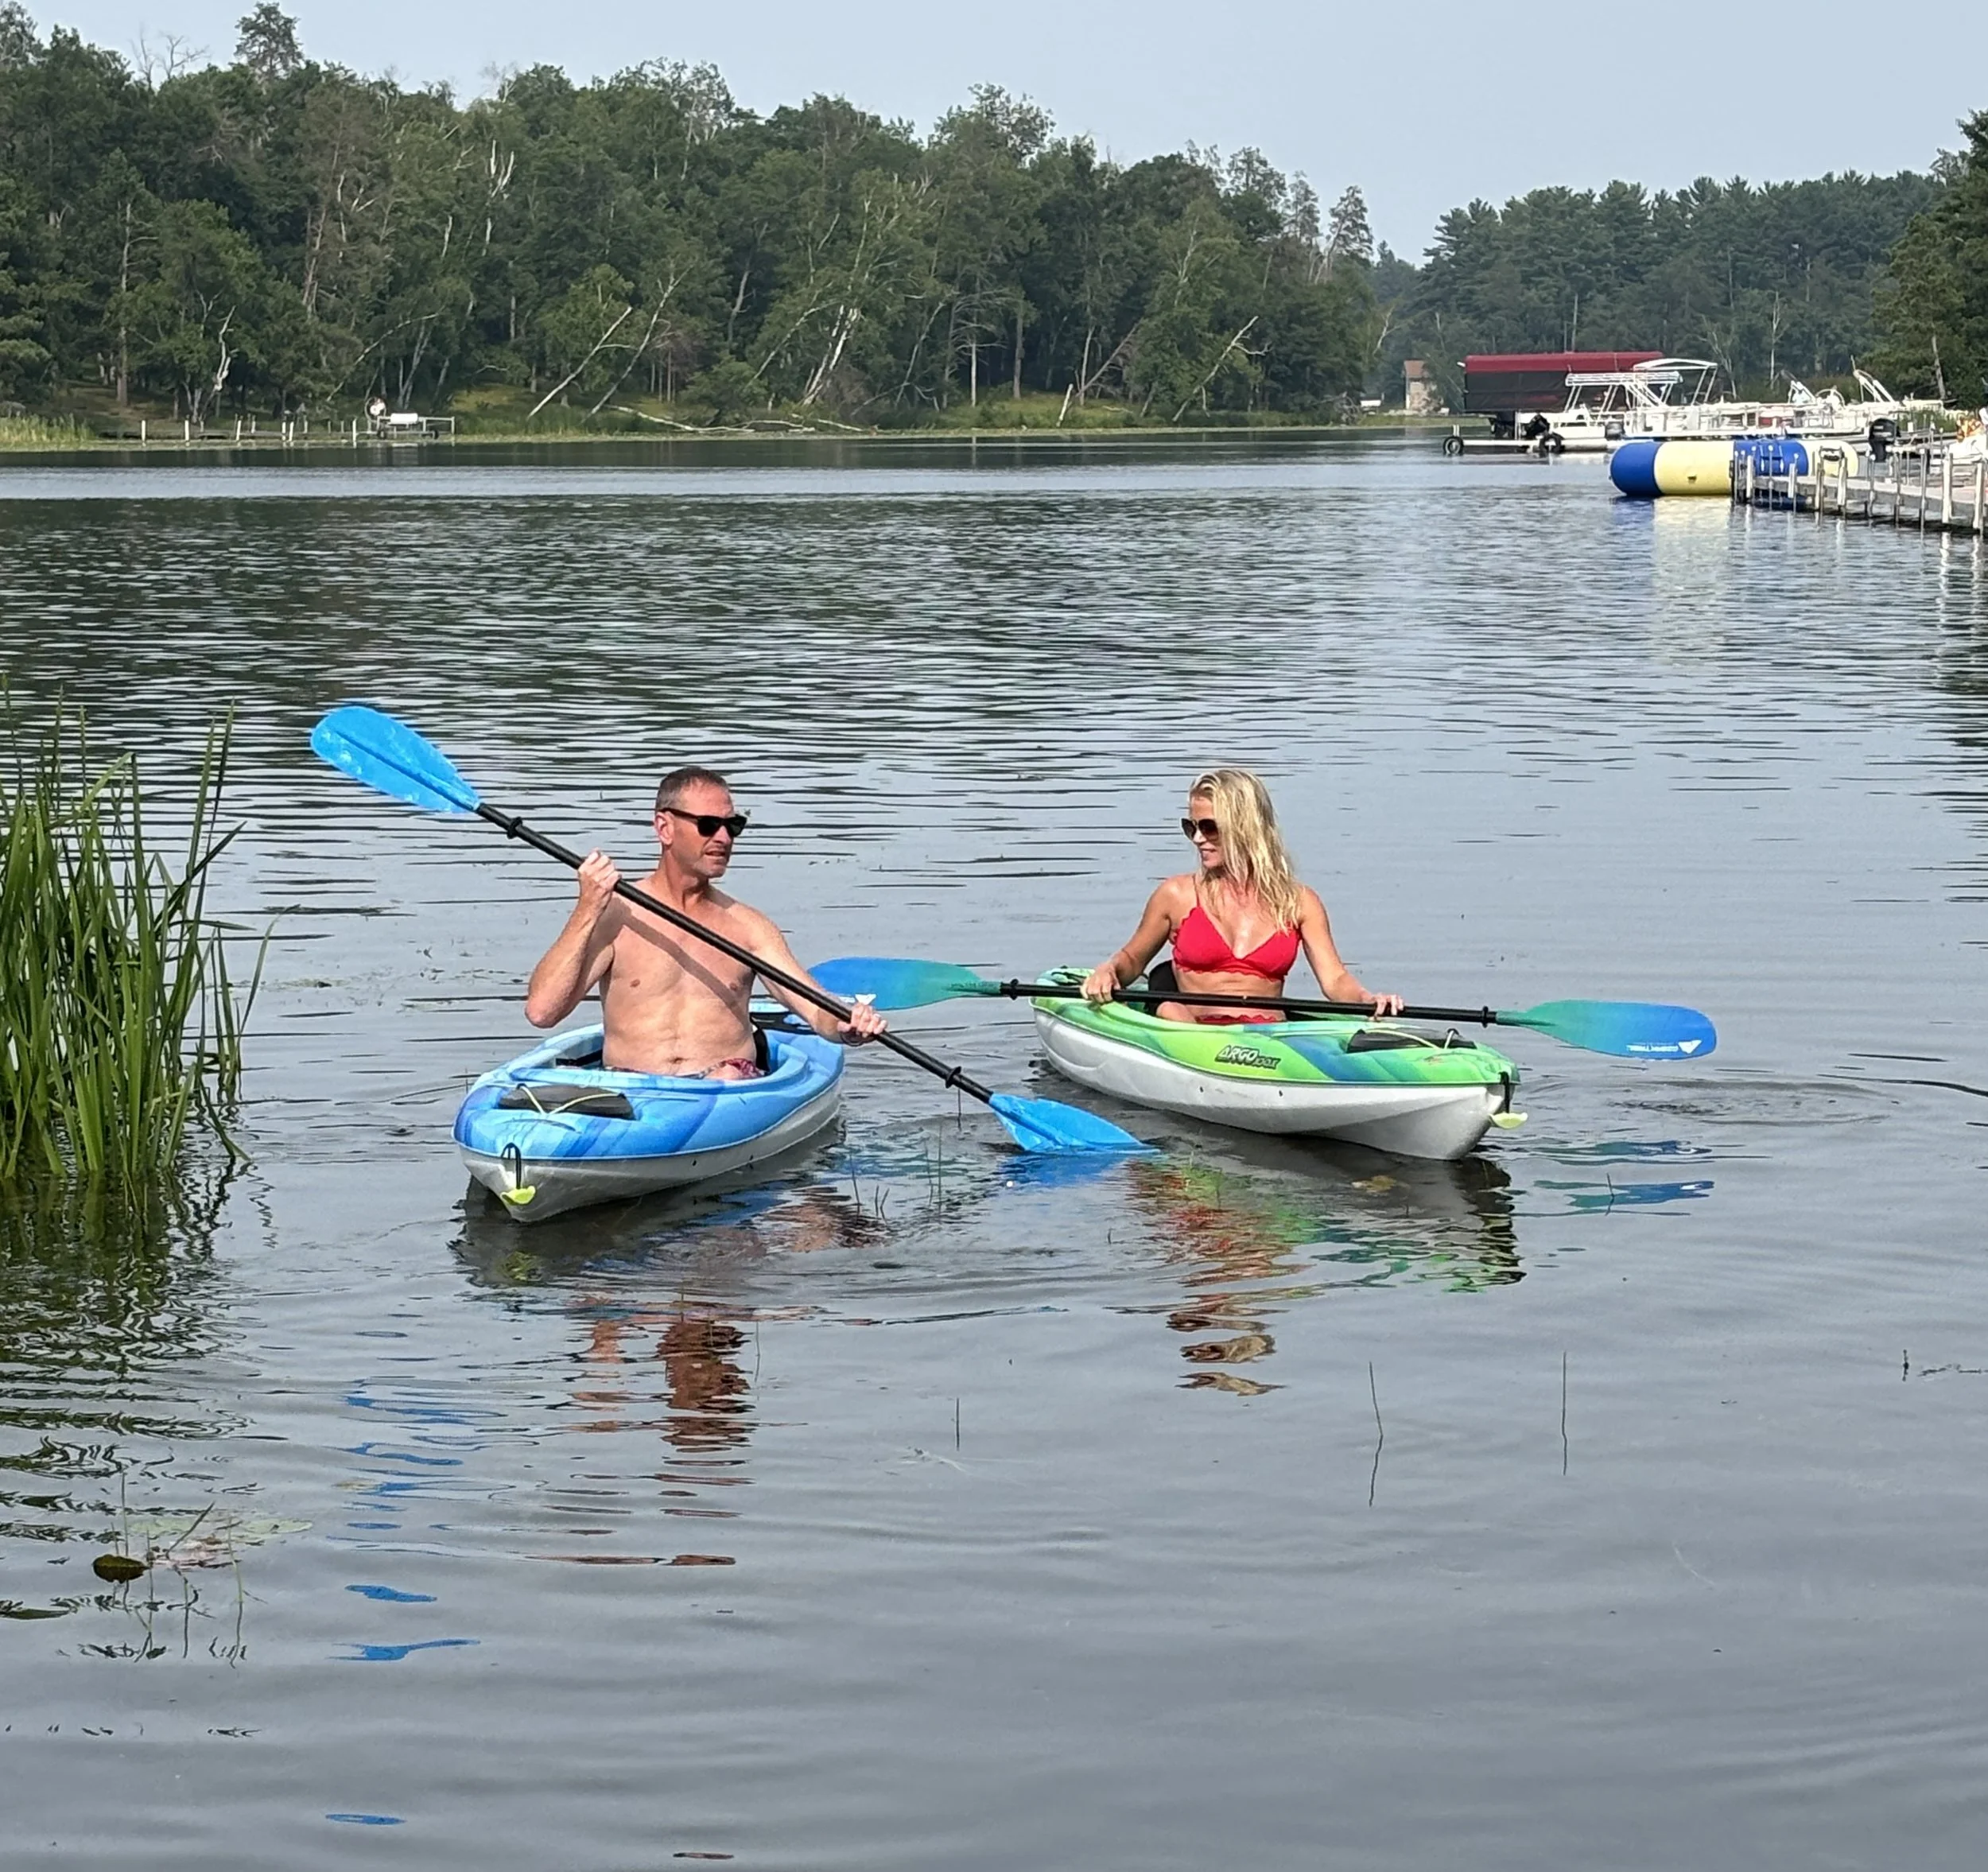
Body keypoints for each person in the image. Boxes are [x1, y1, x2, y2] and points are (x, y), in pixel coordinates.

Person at [524, 765, 885, 1077]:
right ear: (664, 828)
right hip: (633, 1089)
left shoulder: (748, 927)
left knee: (728, 1075)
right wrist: (587, 908)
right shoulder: (614, 917)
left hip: (725, 1088)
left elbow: (815, 1009)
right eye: (709, 825)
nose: (723, 838)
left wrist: (845, 1026)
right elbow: (542, 1012)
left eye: (733, 826)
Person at [1081, 767, 1403, 1025]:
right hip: (1192, 1037)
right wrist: (1109, 970)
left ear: (1245, 827)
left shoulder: (1300, 902)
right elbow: (1132, 959)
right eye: (1191, 827)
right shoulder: (1176, 895)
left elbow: (1335, 979)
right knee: (1170, 1010)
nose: (1197, 839)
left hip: (1267, 1041)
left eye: (1209, 827)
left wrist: (1367, 1000)